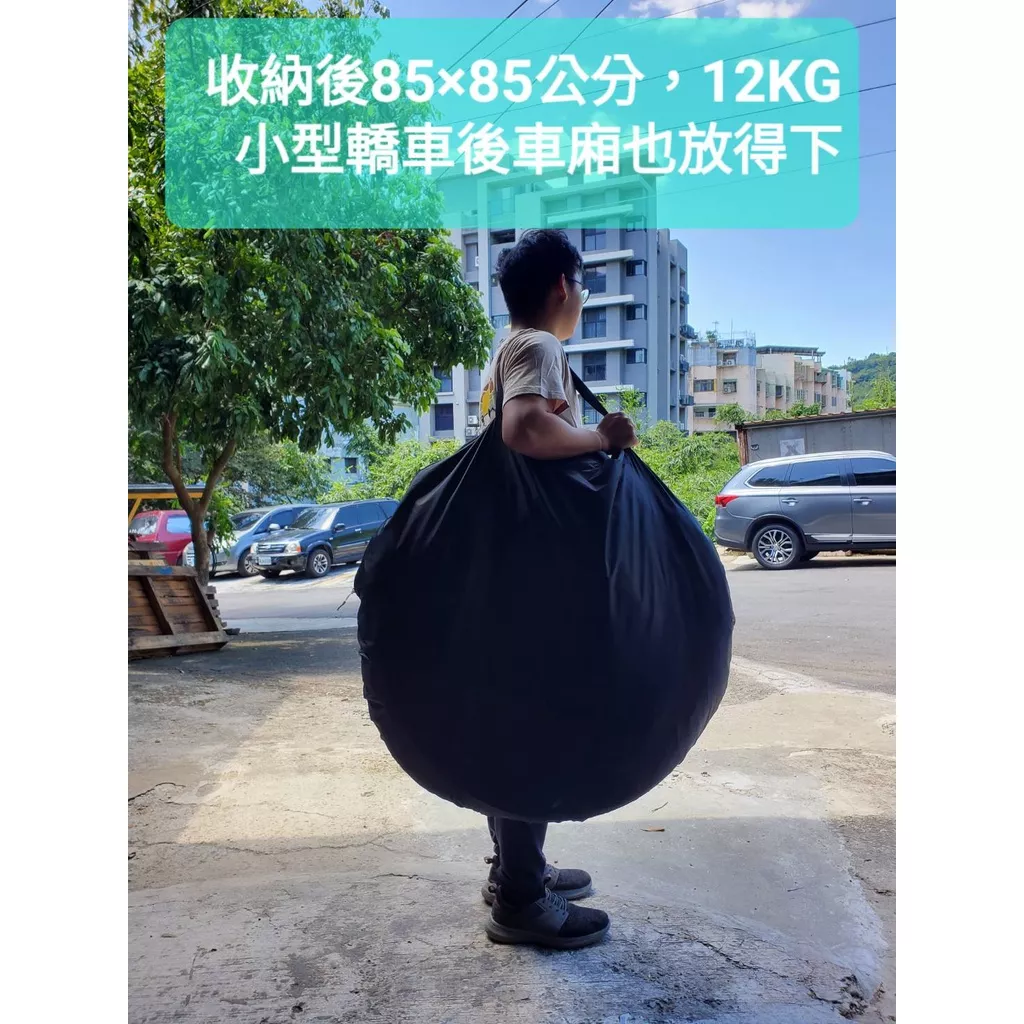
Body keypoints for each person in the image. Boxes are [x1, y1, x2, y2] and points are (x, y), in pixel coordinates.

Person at [478, 229, 639, 950]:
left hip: (513, 560)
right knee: (531, 723)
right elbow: (524, 431)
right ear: (563, 287)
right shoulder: (540, 346)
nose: (582, 297)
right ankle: (522, 898)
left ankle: (516, 869)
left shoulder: (510, 345)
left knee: (514, 718)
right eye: (581, 286)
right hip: (534, 568)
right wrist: (603, 439)